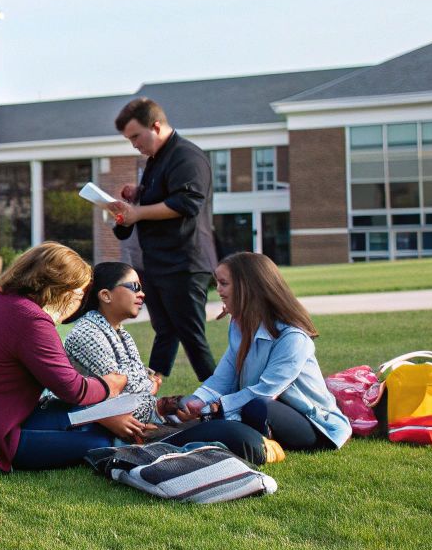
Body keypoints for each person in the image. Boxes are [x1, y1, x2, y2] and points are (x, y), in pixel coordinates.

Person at [0, 243, 137, 472]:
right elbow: (74, 389)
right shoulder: (32, 320)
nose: (80, 304)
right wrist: (112, 384)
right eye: (80, 294)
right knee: (100, 441)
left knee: (86, 421)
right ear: (64, 291)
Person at [156, 251, 352, 461]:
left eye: (223, 283)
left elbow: (266, 391)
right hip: (262, 408)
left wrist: (216, 406)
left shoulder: (293, 336)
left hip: (314, 424)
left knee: (257, 406)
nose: (219, 291)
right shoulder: (238, 327)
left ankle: (249, 438)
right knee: (242, 409)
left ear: (247, 287)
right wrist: (196, 401)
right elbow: (224, 376)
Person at [105, 98, 218, 381]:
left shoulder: (187, 156)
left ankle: (224, 402)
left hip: (184, 262)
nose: (133, 145)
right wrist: (138, 193)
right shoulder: (156, 160)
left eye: (135, 136)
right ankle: (149, 393)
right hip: (157, 262)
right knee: (166, 332)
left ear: (155, 126)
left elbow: (187, 203)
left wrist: (138, 211)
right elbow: (164, 195)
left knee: (192, 337)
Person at [62, 262, 160, 425]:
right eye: (135, 287)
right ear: (106, 295)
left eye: (142, 288)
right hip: (87, 427)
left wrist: (147, 386)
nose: (142, 294)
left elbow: (137, 388)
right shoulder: (87, 333)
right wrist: (151, 386)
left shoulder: (121, 333)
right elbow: (125, 395)